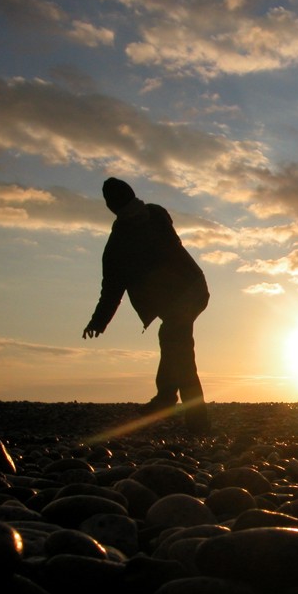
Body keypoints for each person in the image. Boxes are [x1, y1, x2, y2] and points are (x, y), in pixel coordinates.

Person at [83, 177, 211, 433]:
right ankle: (176, 406)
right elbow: (112, 288)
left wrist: (99, 321)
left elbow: (112, 287)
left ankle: (178, 408)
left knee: (179, 350)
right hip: (185, 295)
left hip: (189, 293)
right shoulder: (137, 229)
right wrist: (99, 320)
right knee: (177, 348)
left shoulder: (150, 220)